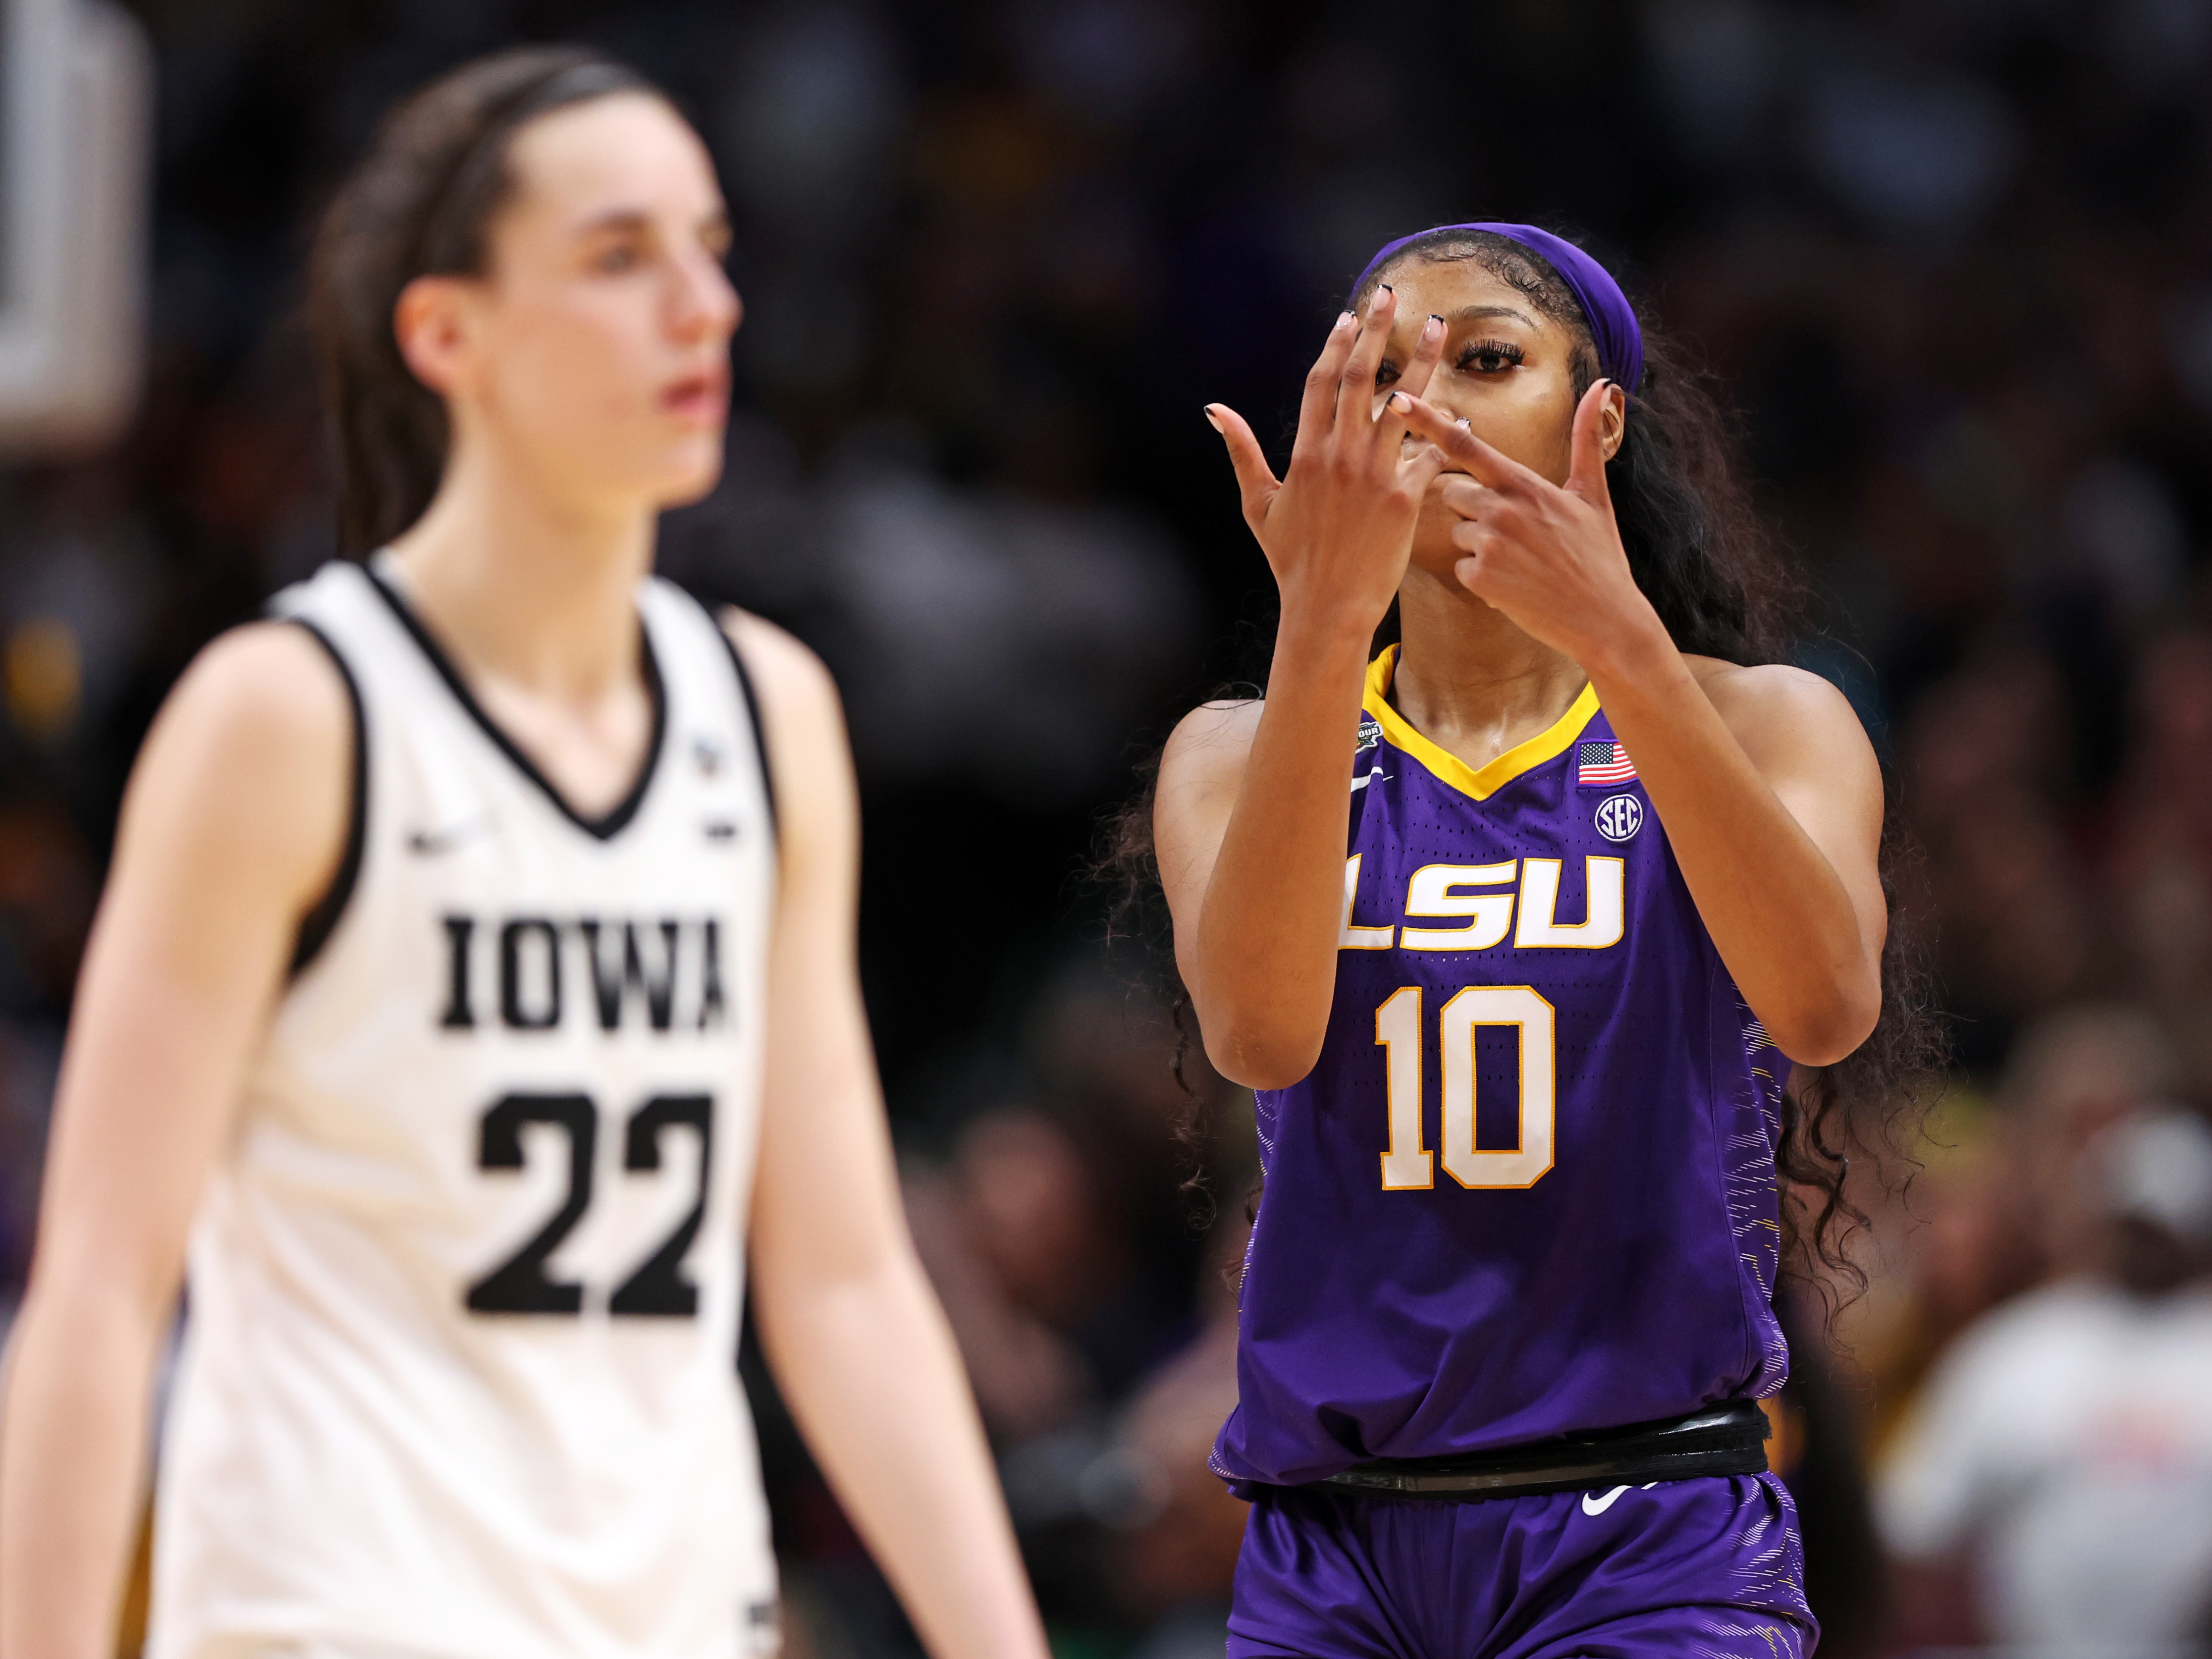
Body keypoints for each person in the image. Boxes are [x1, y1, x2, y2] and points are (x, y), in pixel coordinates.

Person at [0, 48, 1048, 1659]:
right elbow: (96, 1286)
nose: (701, 306)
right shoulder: (290, 714)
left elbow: (840, 1278)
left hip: (676, 1610)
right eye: (620, 257)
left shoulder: (765, 712)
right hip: (334, 1612)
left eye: (710, 248)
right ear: (447, 332)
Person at [1143, 222, 1936, 1656]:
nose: (1425, 404)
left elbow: (1825, 1006)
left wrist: (1619, 644)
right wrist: (1319, 627)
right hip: (1334, 1545)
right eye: (1382, 371)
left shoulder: (1768, 720)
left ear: (1600, 418)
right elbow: (1260, 1033)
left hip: (1646, 1523)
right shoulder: (1233, 749)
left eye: (1486, 358)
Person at [1879, 1106, 2212, 1655]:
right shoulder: (2018, 1347)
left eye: (2161, 1229)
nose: (2145, 1245)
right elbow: (1915, 1523)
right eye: (2133, 1225)